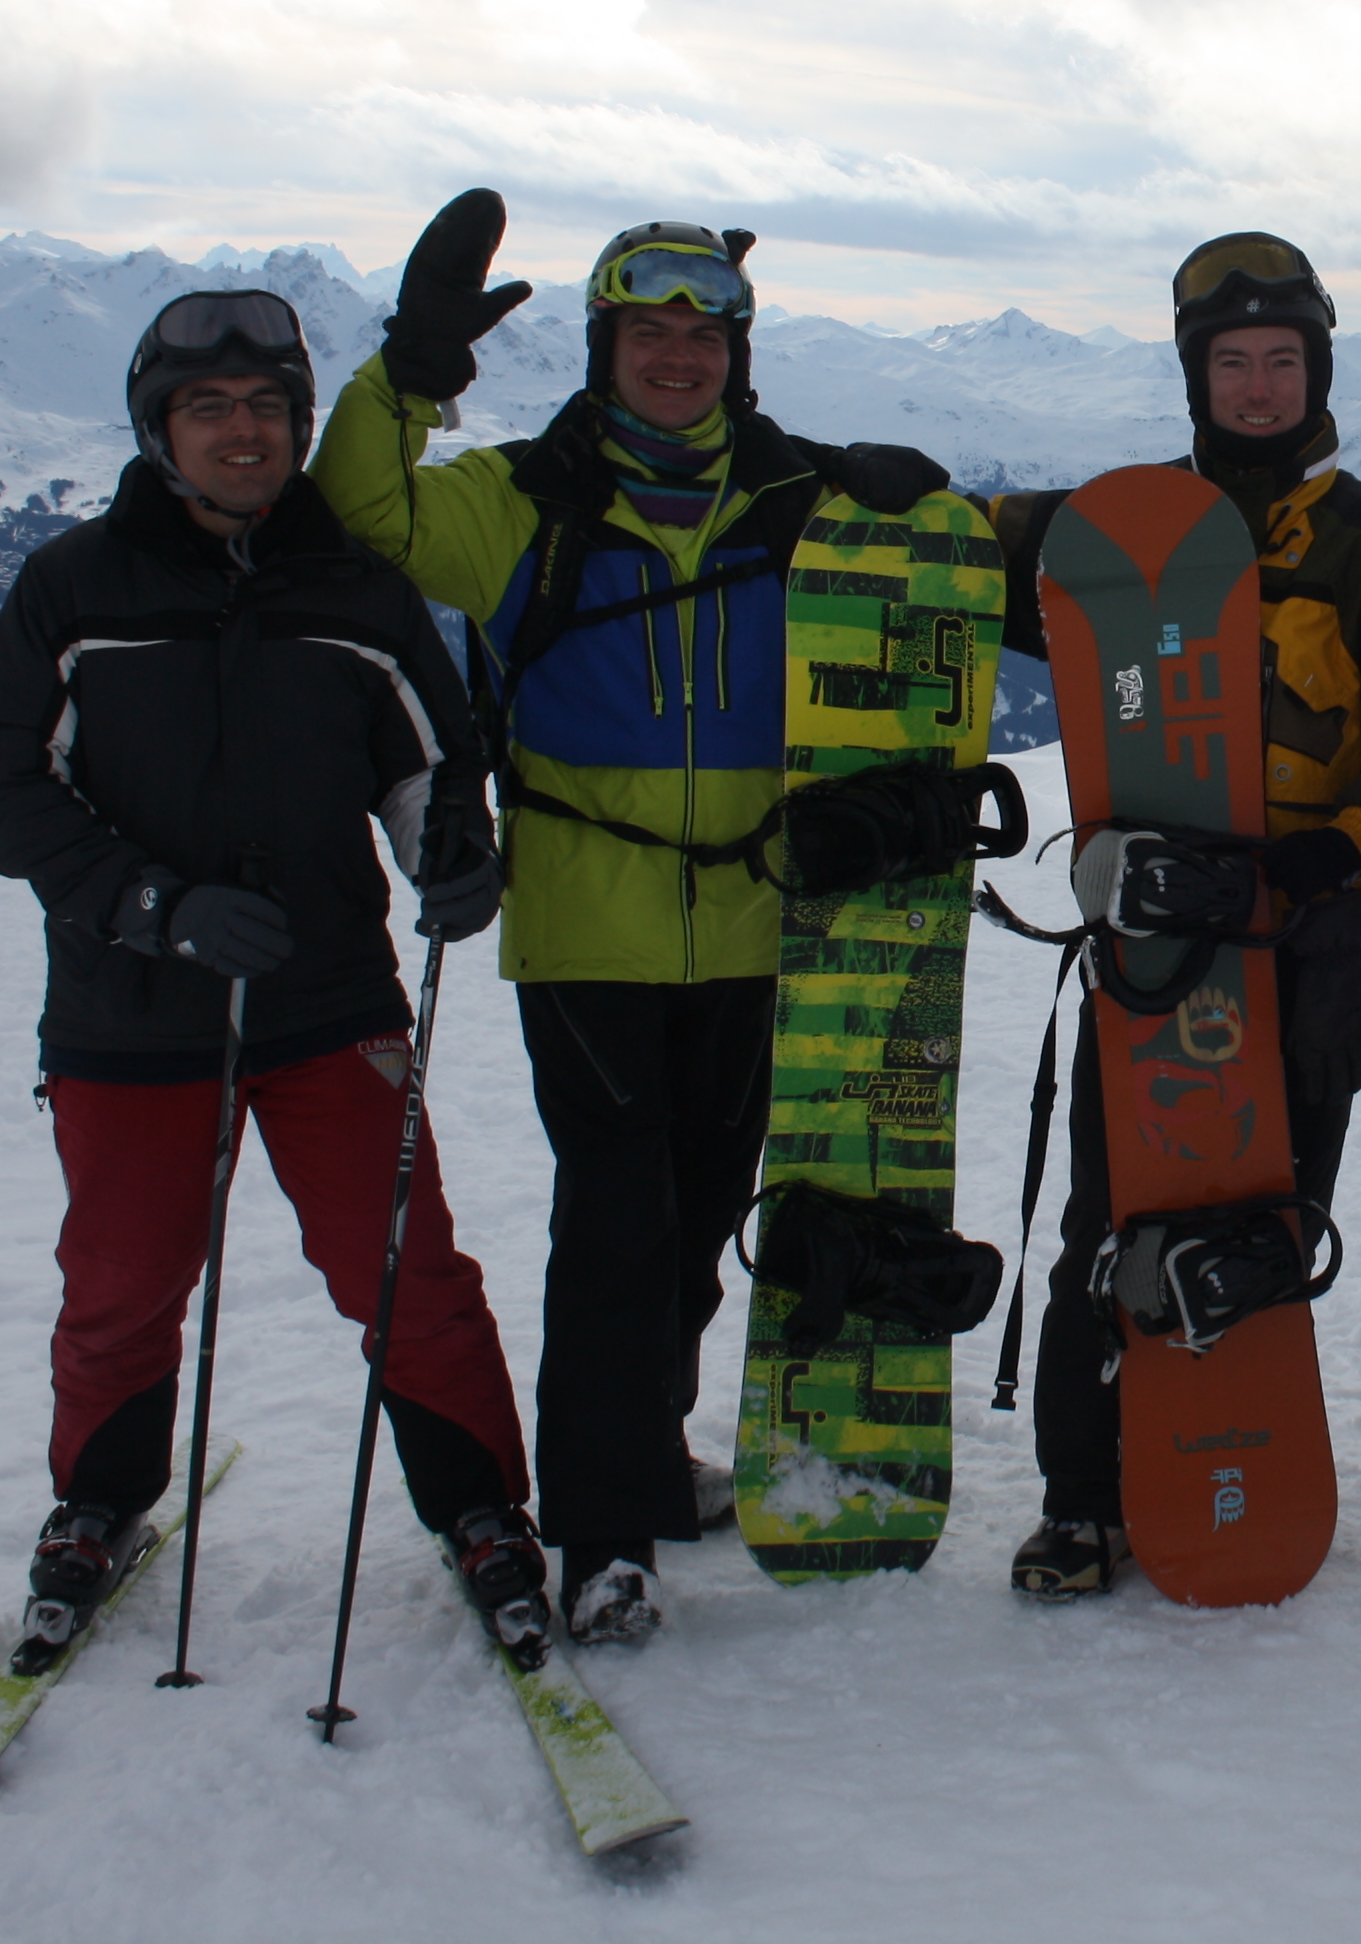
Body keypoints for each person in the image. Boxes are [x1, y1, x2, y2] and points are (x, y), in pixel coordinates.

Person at [309, 190, 950, 1644]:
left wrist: (929, 507)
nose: (676, 357)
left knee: (703, 1213)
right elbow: (361, 514)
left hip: (755, 923)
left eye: (701, 336)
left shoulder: (797, 501)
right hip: (586, 923)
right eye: (648, 333)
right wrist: (409, 372)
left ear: (736, 355)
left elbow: (937, 599)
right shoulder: (521, 500)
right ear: (604, 349)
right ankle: (603, 1535)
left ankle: (645, 1451)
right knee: (616, 1221)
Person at [0, 288, 546, 1661]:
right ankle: (98, 1502)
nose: (243, 432)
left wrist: (452, 849)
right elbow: (3, 784)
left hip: (329, 1000)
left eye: (268, 407)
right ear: (158, 431)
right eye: (208, 409)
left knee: (404, 1272)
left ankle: (481, 1507)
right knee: (124, 1280)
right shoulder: (75, 587)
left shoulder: (357, 588)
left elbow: (427, 761)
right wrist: (152, 906)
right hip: (129, 1009)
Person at [991, 232, 1361, 1601]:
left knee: (1265, 1214)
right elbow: (974, 553)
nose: (1259, 389)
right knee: (1114, 1209)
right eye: (1233, 364)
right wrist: (874, 495)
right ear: (1197, 376)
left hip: (1301, 934)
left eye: (1282, 363)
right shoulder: (1125, 533)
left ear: (1317, 373)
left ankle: (1229, 1462)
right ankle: (1087, 1498)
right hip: (1156, 934)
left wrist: (1341, 856)